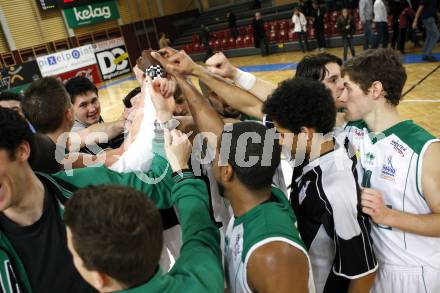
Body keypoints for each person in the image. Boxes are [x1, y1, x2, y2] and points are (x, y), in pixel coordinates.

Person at [151, 49, 315, 292]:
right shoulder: (257, 194)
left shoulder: (273, 252)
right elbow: (214, 129)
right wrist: (182, 77)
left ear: (227, 171)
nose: (213, 154)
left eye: (218, 155)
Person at [64, 130, 224, 293]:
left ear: (99, 279)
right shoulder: (202, 276)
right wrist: (181, 168)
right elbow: (199, 229)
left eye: (73, 254)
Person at [262, 77, 377, 293]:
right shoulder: (325, 144)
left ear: (305, 133)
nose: (278, 140)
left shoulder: (335, 190)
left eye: (281, 134)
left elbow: (364, 271)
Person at [341, 48, 440, 292]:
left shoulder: (426, 151)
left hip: (415, 274)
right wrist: (236, 76)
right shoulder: (353, 131)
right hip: (371, 270)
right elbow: (293, 112)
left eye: (347, 88)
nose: (341, 97)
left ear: (375, 90)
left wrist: (388, 216)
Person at [64, 76, 125, 154]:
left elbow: (107, 129)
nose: (92, 109)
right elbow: (114, 160)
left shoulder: (89, 120)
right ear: (71, 109)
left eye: (94, 101)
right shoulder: (78, 136)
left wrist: (125, 117)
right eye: (83, 105)